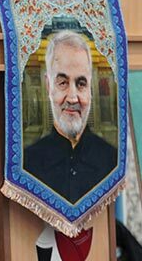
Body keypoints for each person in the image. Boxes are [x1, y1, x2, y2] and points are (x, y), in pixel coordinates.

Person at [23, 30, 117, 203]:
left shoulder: (113, 161)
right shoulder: (26, 165)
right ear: (48, 86)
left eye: (81, 84)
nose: (73, 98)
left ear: (90, 89)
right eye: (63, 83)